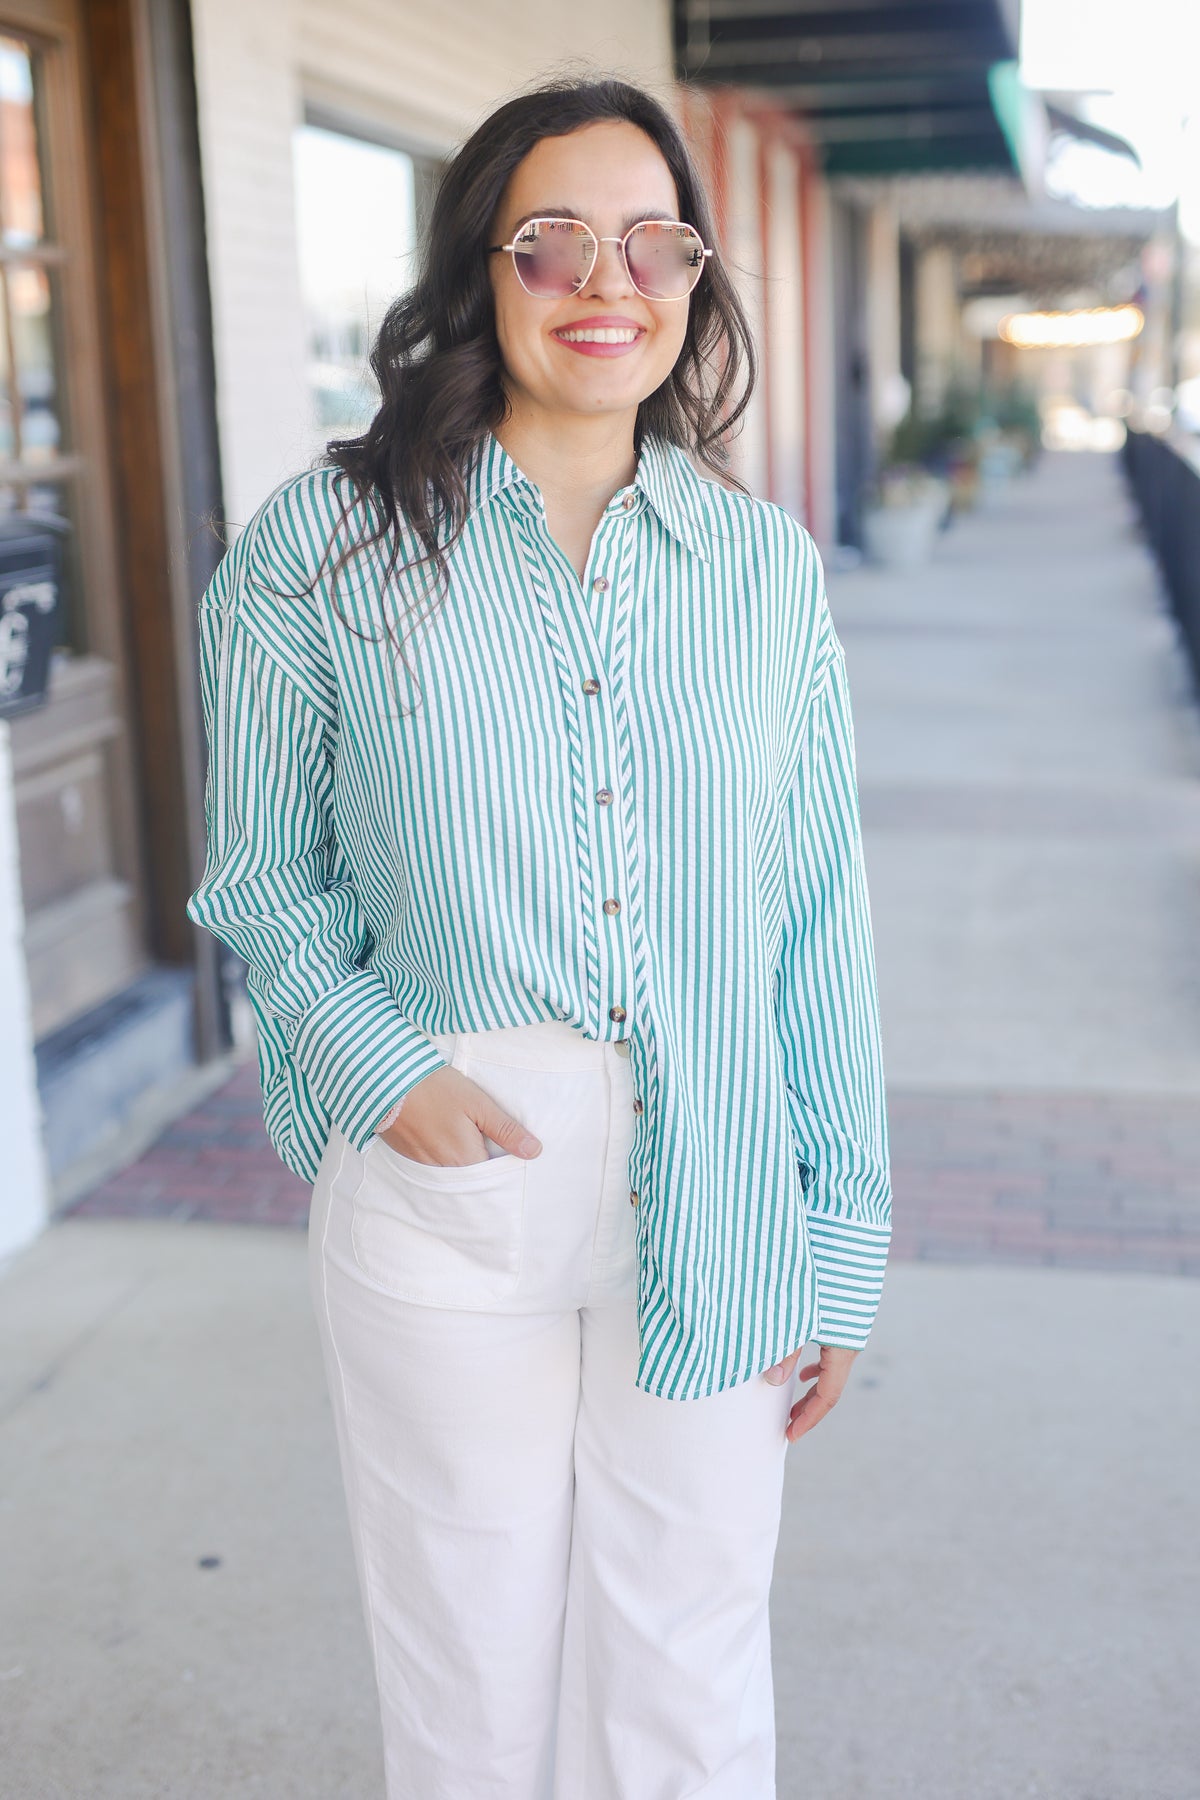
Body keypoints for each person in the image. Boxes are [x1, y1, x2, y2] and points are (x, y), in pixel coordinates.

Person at [186, 71, 892, 1800]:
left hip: (717, 1171)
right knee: (466, 1667)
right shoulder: (322, 550)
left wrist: (845, 1228)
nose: (609, 282)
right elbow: (262, 875)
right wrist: (378, 1071)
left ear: (696, 286)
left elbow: (817, 921)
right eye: (553, 241)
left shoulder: (763, 572)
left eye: (654, 243)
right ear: (477, 277)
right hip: (449, 1166)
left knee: (691, 1661)